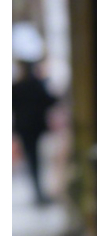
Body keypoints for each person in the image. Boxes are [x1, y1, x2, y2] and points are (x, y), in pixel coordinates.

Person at [13, 52, 58, 205]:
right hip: (35, 127)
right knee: (35, 158)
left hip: (24, 128)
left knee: (32, 158)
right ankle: (38, 192)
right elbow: (50, 101)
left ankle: (38, 191)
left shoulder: (17, 86)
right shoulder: (36, 84)